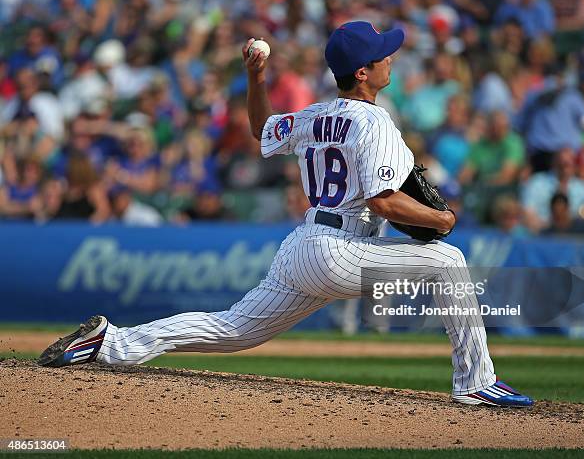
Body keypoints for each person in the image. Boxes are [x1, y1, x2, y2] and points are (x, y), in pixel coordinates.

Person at [38, 22, 533, 408]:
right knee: (448, 259)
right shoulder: (376, 119)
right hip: (343, 249)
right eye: (383, 53)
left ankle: (112, 344)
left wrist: (256, 79)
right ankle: (476, 383)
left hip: (305, 247)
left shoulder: (315, 114)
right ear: (363, 72)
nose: (391, 57)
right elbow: (383, 202)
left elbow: (260, 129)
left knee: (235, 329)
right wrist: (441, 221)